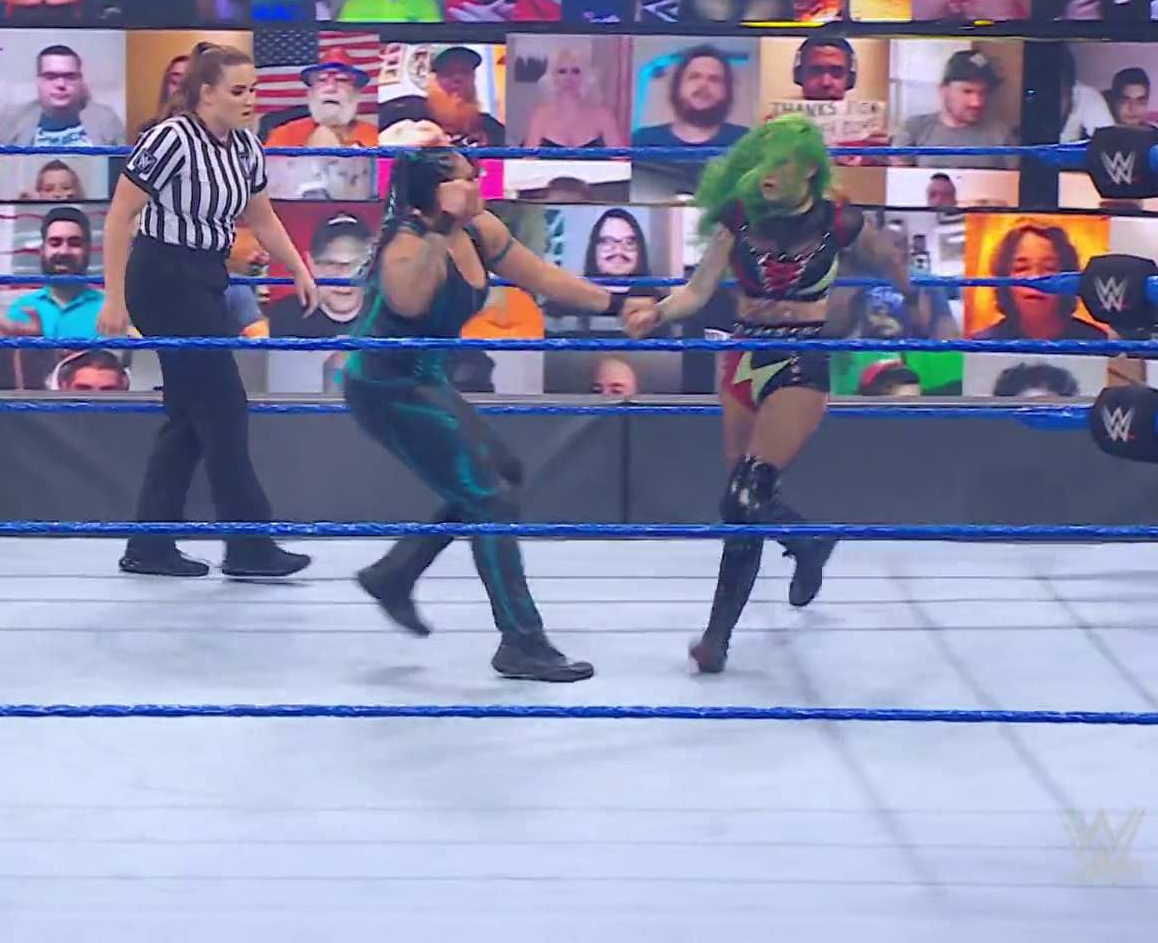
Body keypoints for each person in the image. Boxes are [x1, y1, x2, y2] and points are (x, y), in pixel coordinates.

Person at [344, 136, 652, 682]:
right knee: (490, 499)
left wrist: (618, 303)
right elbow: (409, 300)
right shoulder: (406, 244)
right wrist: (441, 226)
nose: (478, 182)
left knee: (500, 474)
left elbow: (542, 276)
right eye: (465, 177)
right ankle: (521, 641)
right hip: (384, 386)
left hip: (426, 379)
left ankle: (395, 573)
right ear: (438, 193)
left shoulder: (479, 229)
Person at [625, 115, 915, 674]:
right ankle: (807, 542)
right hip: (743, 356)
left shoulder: (838, 219)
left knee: (746, 495)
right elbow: (699, 290)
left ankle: (717, 638)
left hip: (801, 359)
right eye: (762, 162)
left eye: (781, 163)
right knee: (741, 500)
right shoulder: (739, 217)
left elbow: (886, 257)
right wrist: (657, 313)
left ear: (809, 170)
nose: (767, 174)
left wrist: (914, 296)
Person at [97, 42, 320, 579]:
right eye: (238, 91)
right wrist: (113, 295)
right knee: (223, 407)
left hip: (206, 277)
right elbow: (120, 215)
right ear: (206, 94)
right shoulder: (170, 138)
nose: (249, 100)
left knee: (188, 416)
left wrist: (299, 267)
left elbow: (262, 217)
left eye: (253, 90)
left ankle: (149, 544)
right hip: (161, 276)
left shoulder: (245, 147)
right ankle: (248, 545)